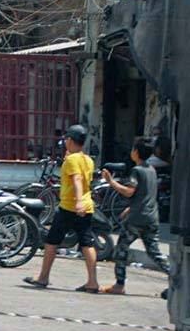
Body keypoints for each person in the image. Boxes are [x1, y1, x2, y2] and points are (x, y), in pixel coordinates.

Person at [25, 124, 99, 291]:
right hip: (87, 207)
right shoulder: (87, 160)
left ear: (70, 140)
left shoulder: (72, 160)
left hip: (70, 206)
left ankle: (43, 277)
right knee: (87, 243)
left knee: (52, 241)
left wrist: (78, 200)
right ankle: (92, 282)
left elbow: (77, 179)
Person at [100, 137, 171, 294]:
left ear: (136, 153)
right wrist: (130, 208)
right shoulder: (151, 170)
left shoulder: (137, 171)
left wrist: (111, 181)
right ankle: (178, 278)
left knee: (120, 250)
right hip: (151, 218)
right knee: (155, 253)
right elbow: (145, 195)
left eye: (133, 149)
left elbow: (130, 191)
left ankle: (119, 285)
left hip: (137, 220)